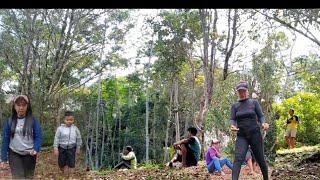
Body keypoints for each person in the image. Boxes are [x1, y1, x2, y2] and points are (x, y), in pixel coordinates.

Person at [230, 80, 269, 180]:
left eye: (243, 91)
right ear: (237, 93)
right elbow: (233, 119)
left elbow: (261, 116)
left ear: (247, 91)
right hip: (241, 135)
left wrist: (264, 123)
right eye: (240, 92)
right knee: (238, 159)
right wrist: (232, 126)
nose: (242, 93)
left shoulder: (254, 103)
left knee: (260, 159)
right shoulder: (235, 106)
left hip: (255, 134)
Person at [0, 94, 43, 179]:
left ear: (27, 106)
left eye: (24, 105)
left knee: (28, 177)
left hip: (30, 154)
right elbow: (5, 140)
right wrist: (3, 159)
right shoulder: (10, 121)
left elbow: (39, 136)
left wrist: (36, 148)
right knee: (18, 177)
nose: (21, 108)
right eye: (18, 105)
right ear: (14, 106)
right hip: (14, 153)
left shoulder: (33, 121)